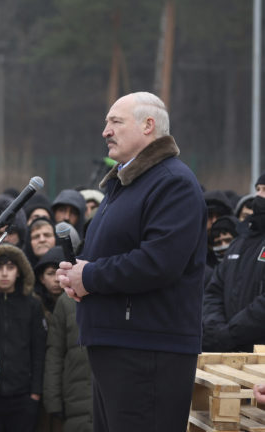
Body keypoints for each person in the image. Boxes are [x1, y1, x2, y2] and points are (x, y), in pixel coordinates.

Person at [57, 92, 206, 432]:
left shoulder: (172, 183)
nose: (105, 131)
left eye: (115, 122)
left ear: (148, 125)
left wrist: (90, 276)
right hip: (120, 344)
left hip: (148, 351)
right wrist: (77, 273)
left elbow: (159, 262)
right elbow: (112, 257)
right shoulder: (126, 185)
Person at [0, 244, 45, 432]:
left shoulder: (32, 305)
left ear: (19, 271)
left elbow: (39, 351)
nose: (4, 273)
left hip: (23, 396)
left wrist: (35, 393)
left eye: (11, 267)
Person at [203, 195, 265, 352]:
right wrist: (217, 330)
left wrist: (231, 333)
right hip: (229, 349)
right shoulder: (238, 243)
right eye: (258, 189)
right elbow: (213, 292)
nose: (259, 195)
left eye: (264, 189)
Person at [43, 291, 93, 432]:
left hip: (117, 403)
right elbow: (55, 353)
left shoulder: (123, 293)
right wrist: (53, 401)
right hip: (77, 401)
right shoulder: (66, 301)